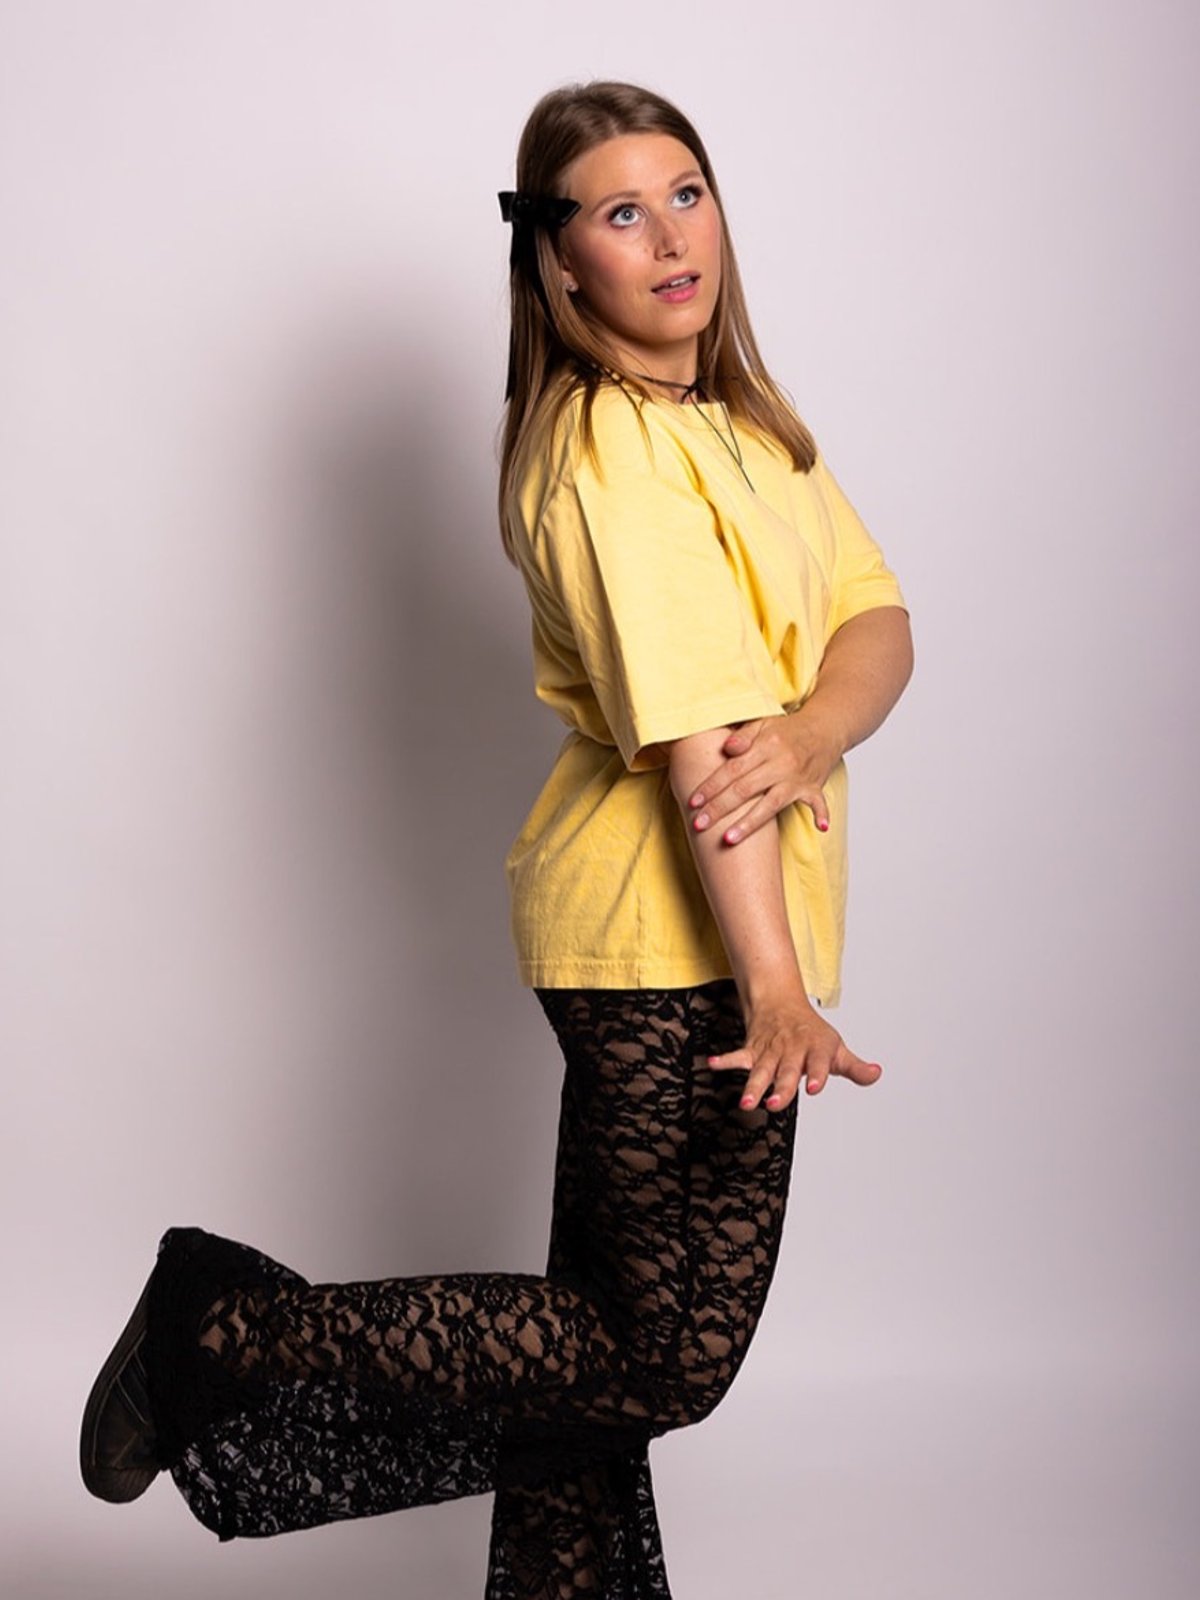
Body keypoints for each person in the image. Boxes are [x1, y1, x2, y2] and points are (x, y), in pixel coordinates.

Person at [80, 80, 913, 1600]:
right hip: (669, 941)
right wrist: (777, 984)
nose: (670, 237)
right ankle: (227, 1333)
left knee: (601, 1345)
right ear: (558, 259)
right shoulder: (610, 449)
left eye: (687, 194)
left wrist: (813, 732)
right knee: (660, 1355)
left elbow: (878, 616)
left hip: (719, 934)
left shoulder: (744, 425)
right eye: (621, 213)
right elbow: (710, 761)